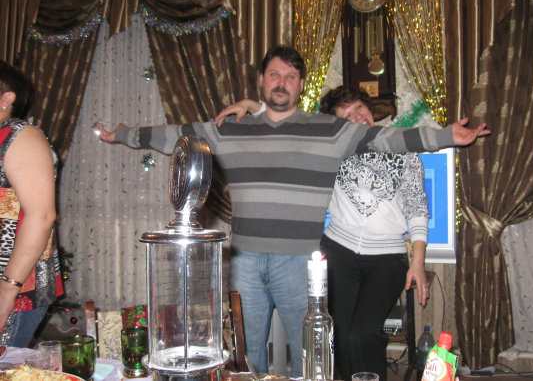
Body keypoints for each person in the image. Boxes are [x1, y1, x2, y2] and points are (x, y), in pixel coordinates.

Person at [97, 45, 489, 377]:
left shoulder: (330, 130)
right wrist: (125, 135)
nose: (281, 82)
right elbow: (180, 136)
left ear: (300, 85)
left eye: (290, 76)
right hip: (245, 260)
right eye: (274, 74)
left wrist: (445, 136)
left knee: (310, 358)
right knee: (248, 355)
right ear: (261, 81)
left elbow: (387, 138)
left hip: (298, 262)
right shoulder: (231, 129)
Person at [219, 85, 430, 380]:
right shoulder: (331, 150)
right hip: (338, 252)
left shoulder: (402, 149)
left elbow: (417, 207)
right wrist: (253, 105)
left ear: (369, 108)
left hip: (387, 258)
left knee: (362, 334)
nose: (357, 118)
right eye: (346, 116)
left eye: (359, 108)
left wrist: (418, 262)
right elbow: (291, 128)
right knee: (335, 334)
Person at [0, 61, 62, 347]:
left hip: (14, 285)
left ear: (6, 98)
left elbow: (42, 215)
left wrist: (7, 290)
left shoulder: (19, 134)